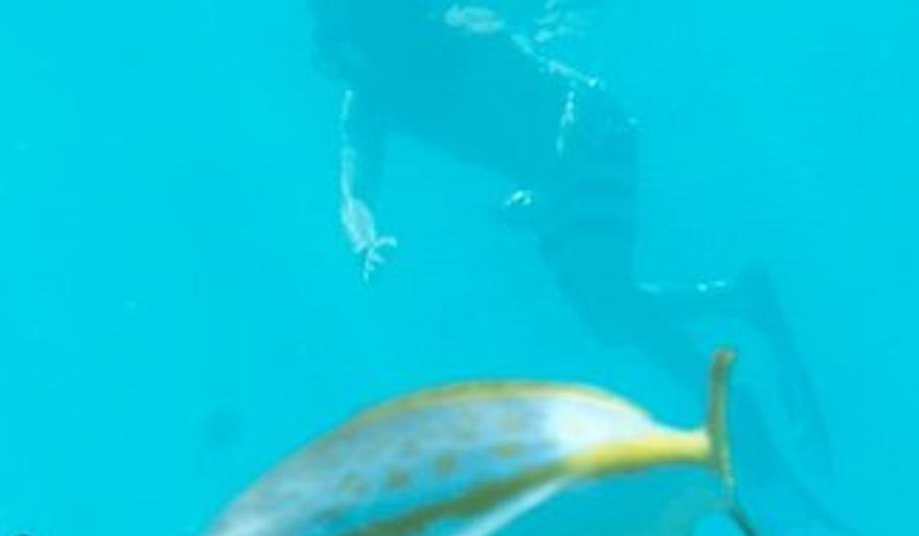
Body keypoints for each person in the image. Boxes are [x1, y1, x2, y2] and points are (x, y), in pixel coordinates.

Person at [309, 0, 835, 480]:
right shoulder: (368, 96)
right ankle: (733, 366)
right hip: (547, 177)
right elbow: (354, 189)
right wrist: (365, 240)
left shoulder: (462, 33)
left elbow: (567, 96)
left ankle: (733, 358)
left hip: (592, 132)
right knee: (611, 313)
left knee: (608, 305)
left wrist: (553, 181)